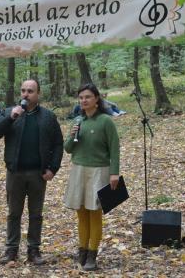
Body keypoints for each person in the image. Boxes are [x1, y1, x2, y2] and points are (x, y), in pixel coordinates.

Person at [0, 79, 63, 265]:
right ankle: (11, 250)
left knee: (36, 214)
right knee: (14, 213)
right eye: (23, 90)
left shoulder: (48, 116)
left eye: (30, 91)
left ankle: (34, 250)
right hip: (15, 173)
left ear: (38, 94)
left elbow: (58, 144)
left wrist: (53, 168)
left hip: (38, 174)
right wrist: (11, 117)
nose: (25, 94)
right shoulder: (10, 113)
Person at [63, 83, 120, 271]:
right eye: (81, 98)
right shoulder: (78, 121)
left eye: (87, 97)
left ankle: (92, 255)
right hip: (79, 170)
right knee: (81, 213)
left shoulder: (106, 121)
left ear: (96, 99)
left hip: (99, 171)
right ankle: (82, 250)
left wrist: (114, 173)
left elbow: (114, 148)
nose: (84, 101)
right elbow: (68, 148)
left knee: (94, 212)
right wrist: (72, 136)